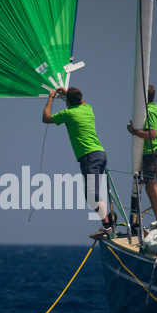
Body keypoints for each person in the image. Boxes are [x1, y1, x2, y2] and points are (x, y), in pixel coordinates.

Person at [42, 86, 112, 239]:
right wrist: (67, 93)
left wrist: (51, 98)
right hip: (101, 154)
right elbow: (80, 101)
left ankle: (107, 226)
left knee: (91, 196)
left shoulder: (69, 113)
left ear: (67, 102)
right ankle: (107, 221)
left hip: (89, 157)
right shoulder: (88, 108)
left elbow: (46, 118)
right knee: (94, 193)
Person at [127, 84, 157, 220]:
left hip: (153, 153)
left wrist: (133, 131)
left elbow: (152, 134)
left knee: (152, 186)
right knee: (151, 186)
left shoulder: (149, 111)